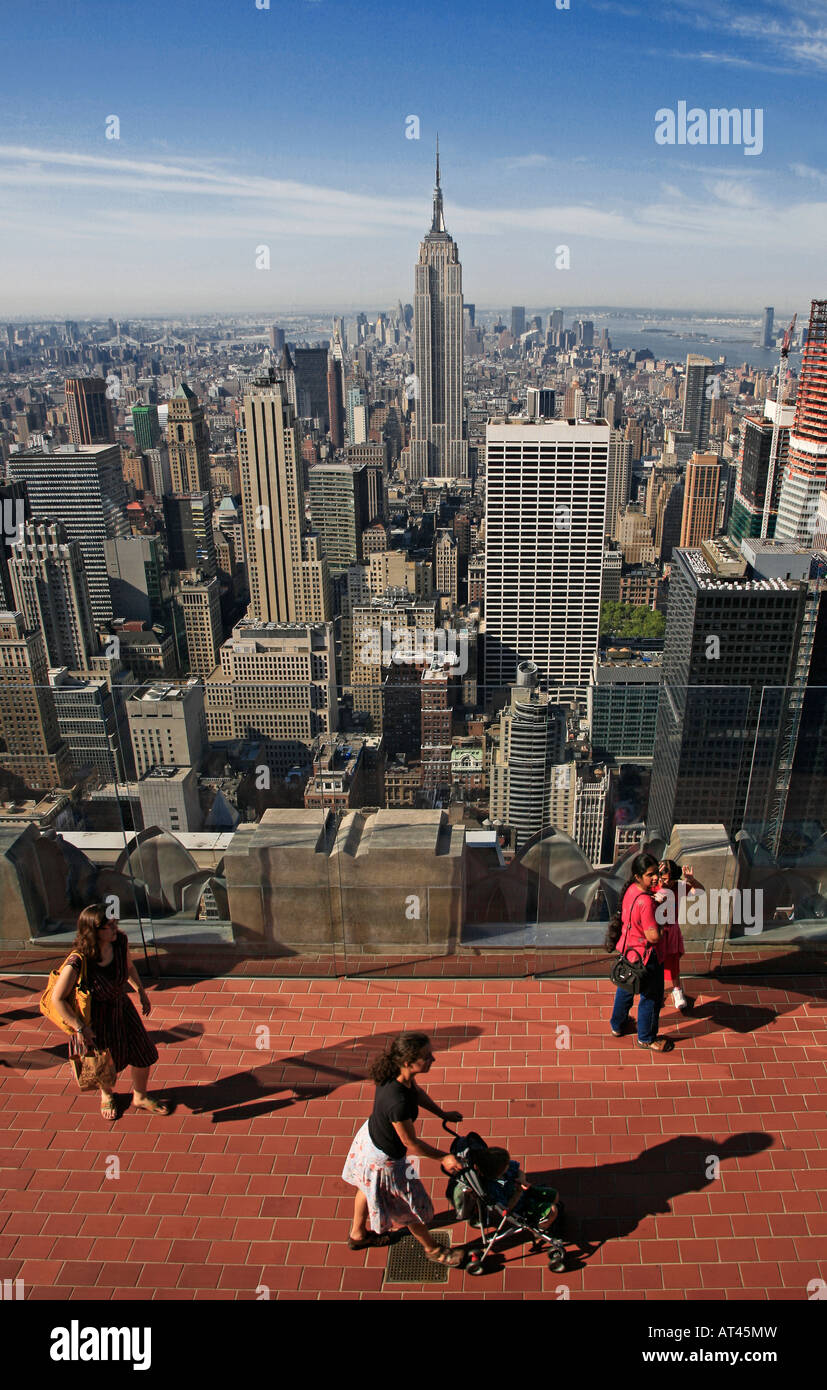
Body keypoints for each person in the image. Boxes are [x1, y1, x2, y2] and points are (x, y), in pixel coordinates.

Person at [342, 1031, 465, 1266]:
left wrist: (442, 1113)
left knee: (365, 1187)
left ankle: (357, 1235)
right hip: (384, 1160)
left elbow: (416, 1094)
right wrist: (444, 1157)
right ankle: (434, 1251)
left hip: (369, 1141)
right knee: (411, 1209)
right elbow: (412, 1144)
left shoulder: (396, 1075)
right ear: (408, 1062)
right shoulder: (396, 1103)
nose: (433, 1060)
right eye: (427, 1057)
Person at [50, 902, 168, 1121]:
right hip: (95, 1020)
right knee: (103, 1063)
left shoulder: (120, 942)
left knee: (144, 1052)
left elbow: (129, 967)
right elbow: (57, 999)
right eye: (109, 926)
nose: (115, 929)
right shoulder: (78, 960)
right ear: (94, 930)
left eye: (115, 924)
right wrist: (80, 1027)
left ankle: (140, 1096)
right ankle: (107, 1095)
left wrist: (141, 991)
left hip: (121, 1007)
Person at [608, 851, 674, 1052]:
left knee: (627, 986)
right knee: (651, 996)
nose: (655, 878)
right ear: (639, 876)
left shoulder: (631, 891)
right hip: (647, 956)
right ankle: (646, 1038)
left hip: (629, 952)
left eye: (656, 873)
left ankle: (617, 1026)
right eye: (650, 874)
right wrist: (664, 928)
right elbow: (653, 936)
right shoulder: (646, 901)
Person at [655, 860, 703, 1013]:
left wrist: (691, 880)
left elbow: (700, 892)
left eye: (669, 880)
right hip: (655, 930)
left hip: (671, 930)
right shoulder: (653, 886)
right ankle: (656, 991)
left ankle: (676, 989)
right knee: (654, 962)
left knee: (673, 961)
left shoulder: (679, 887)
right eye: (663, 879)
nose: (666, 883)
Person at [473, 1147, 560, 1230]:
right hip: (521, 1208)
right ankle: (541, 1227)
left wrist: (522, 1180)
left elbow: (519, 1171)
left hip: (527, 1192)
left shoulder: (505, 1167)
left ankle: (546, 1213)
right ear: (499, 1172)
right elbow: (506, 1209)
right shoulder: (493, 1189)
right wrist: (518, 1192)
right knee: (553, 1210)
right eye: (507, 1165)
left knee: (553, 1194)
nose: (509, 1164)